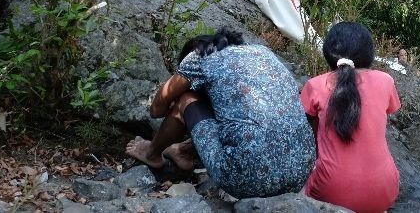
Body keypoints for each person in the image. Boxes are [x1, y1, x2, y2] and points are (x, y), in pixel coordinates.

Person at [125, 29, 315, 198]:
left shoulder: (200, 56)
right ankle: (183, 152)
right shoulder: (263, 53)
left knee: (187, 99)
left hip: (247, 181)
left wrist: (180, 98)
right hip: (300, 173)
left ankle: (152, 154)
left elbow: (156, 110)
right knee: (235, 111)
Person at [301, 22, 401, 212]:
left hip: (330, 192)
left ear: (328, 53)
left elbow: (306, 132)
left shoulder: (315, 85)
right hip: (385, 190)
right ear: (369, 54)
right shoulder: (385, 81)